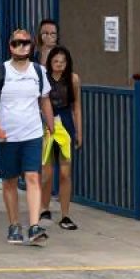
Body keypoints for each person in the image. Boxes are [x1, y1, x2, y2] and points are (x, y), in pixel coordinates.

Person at [0, 28, 55, 246]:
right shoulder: (0, 73)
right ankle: (14, 224)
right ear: (9, 46)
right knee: (10, 181)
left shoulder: (38, 71)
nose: (20, 46)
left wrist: (51, 126)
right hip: (8, 136)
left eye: (24, 43)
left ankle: (34, 226)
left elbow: (44, 100)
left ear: (31, 45)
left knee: (33, 177)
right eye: (16, 43)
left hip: (32, 133)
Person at [39, 45, 82, 229]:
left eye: (63, 62)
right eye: (56, 61)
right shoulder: (44, 78)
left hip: (65, 123)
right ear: (50, 62)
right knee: (47, 174)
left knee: (65, 173)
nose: (59, 65)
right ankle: (44, 208)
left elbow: (77, 107)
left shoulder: (73, 79)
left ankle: (65, 215)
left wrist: (79, 131)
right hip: (47, 124)